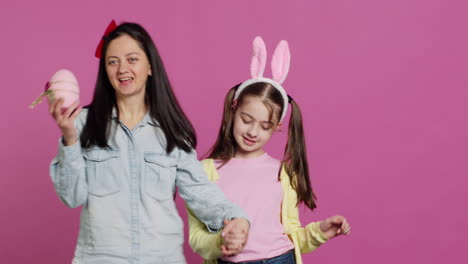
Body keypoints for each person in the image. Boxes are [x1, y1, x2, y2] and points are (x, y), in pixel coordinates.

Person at [49, 21, 249, 264]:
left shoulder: (173, 131)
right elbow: (72, 197)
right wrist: (69, 137)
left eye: (132, 59)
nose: (122, 69)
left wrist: (236, 217)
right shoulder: (82, 123)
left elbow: (199, 192)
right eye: (113, 61)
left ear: (151, 66)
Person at [188, 36, 350, 264]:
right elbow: (196, 238)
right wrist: (220, 241)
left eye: (265, 126)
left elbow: (292, 235)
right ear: (233, 112)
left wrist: (319, 232)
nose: (253, 132)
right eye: (246, 120)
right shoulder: (204, 171)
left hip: (280, 259)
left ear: (277, 127)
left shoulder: (283, 173)